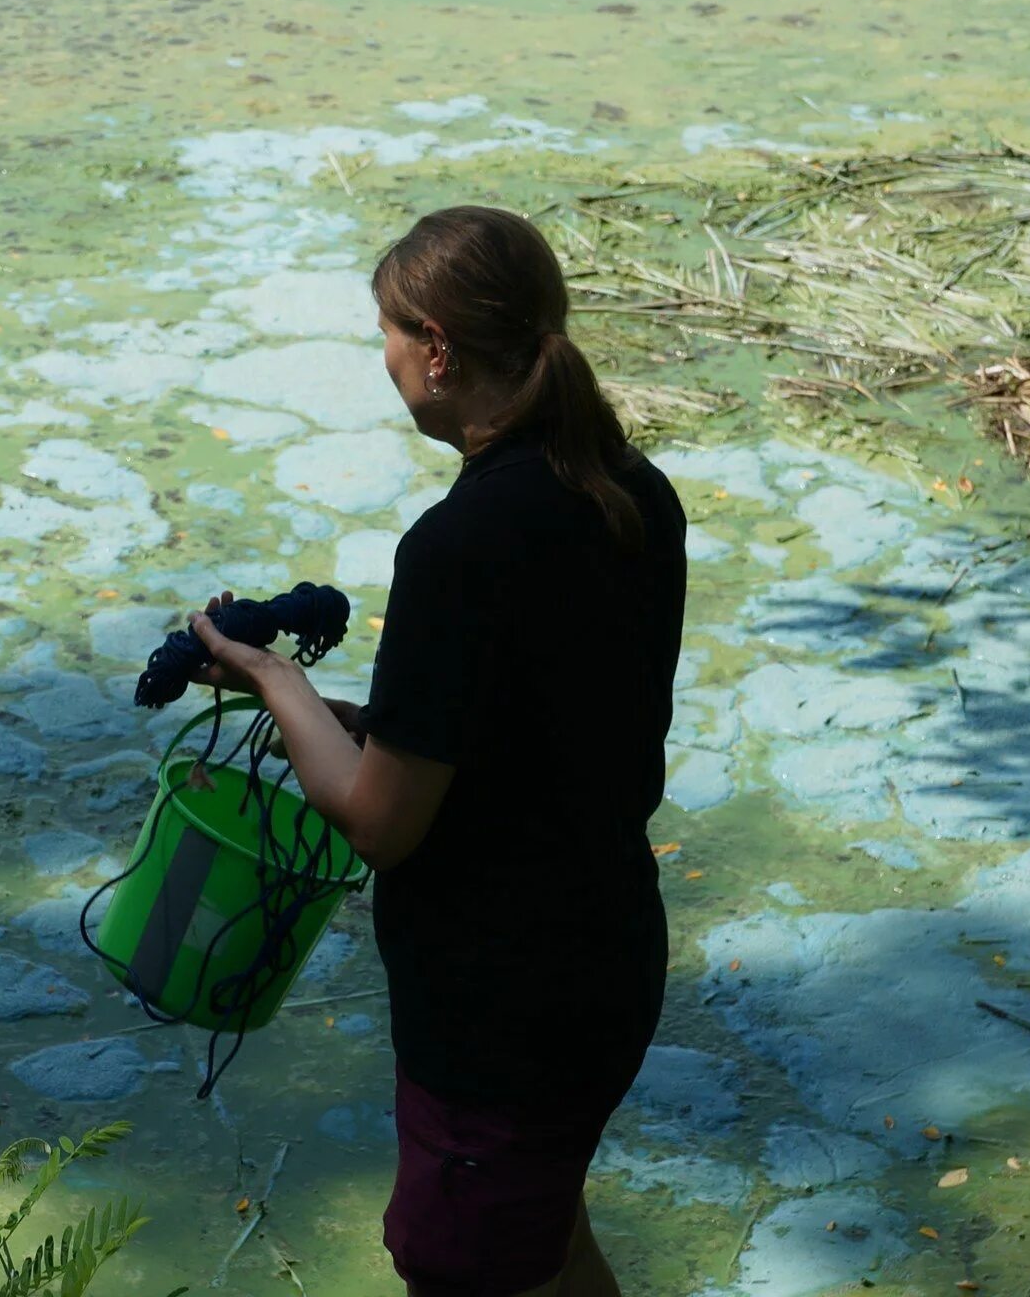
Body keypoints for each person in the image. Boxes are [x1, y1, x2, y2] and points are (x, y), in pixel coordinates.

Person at [186, 205, 687, 1297]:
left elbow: (380, 820)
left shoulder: (459, 544)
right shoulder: (629, 493)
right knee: (543, 1245)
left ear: (438, 345)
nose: (384, 358)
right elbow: (526, 727)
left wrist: (273, 680)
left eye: (386, 332)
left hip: (502, 1006)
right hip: (605, 956)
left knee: (457, 1262)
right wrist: (343, 714)